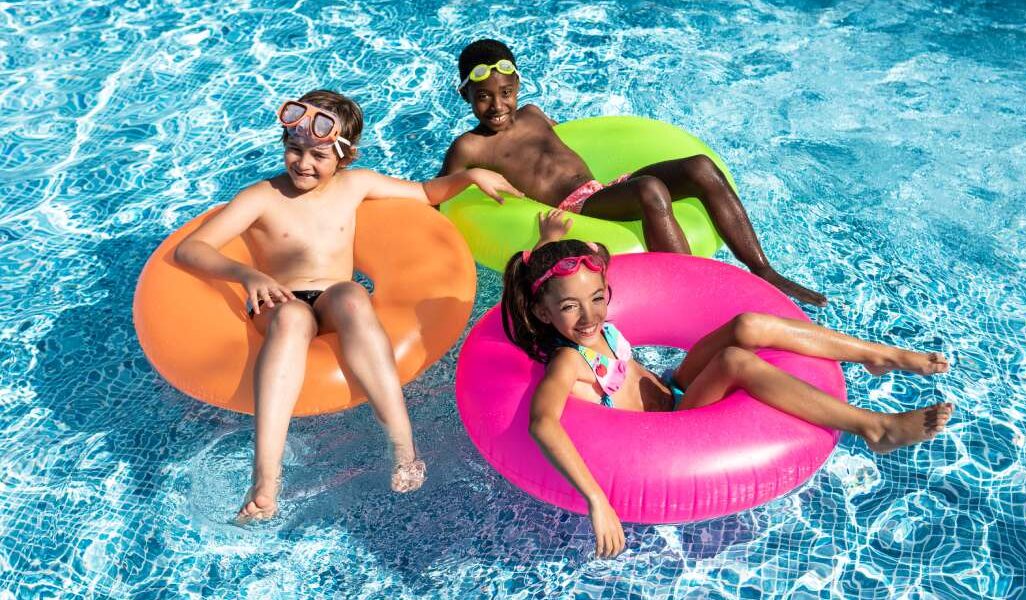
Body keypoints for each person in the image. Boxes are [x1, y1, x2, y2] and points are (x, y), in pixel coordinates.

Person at [501, 210, 953, 557]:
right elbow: (543, 423)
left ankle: (880, 355)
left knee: (747, 324)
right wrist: (597, 499)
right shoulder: (567, 360)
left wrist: (549, 242)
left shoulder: (587, 316)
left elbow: (555, 282)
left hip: (672, 387)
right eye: (570, 308)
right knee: (735, 360)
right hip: (674, 426)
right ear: (544, 313)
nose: (590, 316)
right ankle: (874, 428)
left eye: (597, 298)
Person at [174, 89, 521, 522]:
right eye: (294, 150)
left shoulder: (356, 185)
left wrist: (470, 177)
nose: (303, 163)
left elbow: (427, 192)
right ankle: (265, 478)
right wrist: (248, 275)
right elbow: (192, 249)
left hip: (335, 296)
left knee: (353, 295)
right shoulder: (261, 196)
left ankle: (402, 445)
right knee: (292, 318)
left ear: (345, 155)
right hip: (280, 299)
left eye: (318, 156)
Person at [441, 39, 828, 306]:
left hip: (602, 186)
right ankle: (694, 292)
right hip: (578, 207)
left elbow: (577, 143)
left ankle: (762, 269)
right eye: (483, 97)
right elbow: (438, 195)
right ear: (466, 97)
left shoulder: (534, 114)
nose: (497, 105)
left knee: (700, 167)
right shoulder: (471, 147)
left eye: (505, 91)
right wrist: (471, 177)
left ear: (518, 86)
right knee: (650, 190)